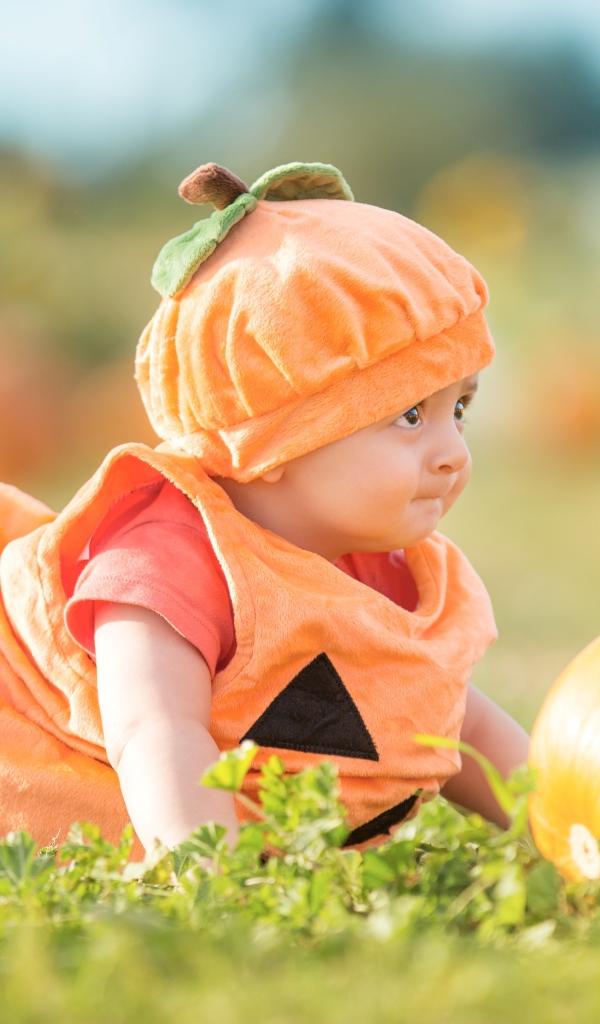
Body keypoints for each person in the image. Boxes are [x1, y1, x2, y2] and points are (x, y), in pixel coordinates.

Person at [0, 160, 528, 857]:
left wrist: (563, 811)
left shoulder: (381, 565)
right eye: (408, 415)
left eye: (459, 408)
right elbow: (153, 732)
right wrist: (208, 874)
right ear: (273, 434)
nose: (454, 451)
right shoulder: (166, 563)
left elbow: (454, 721)